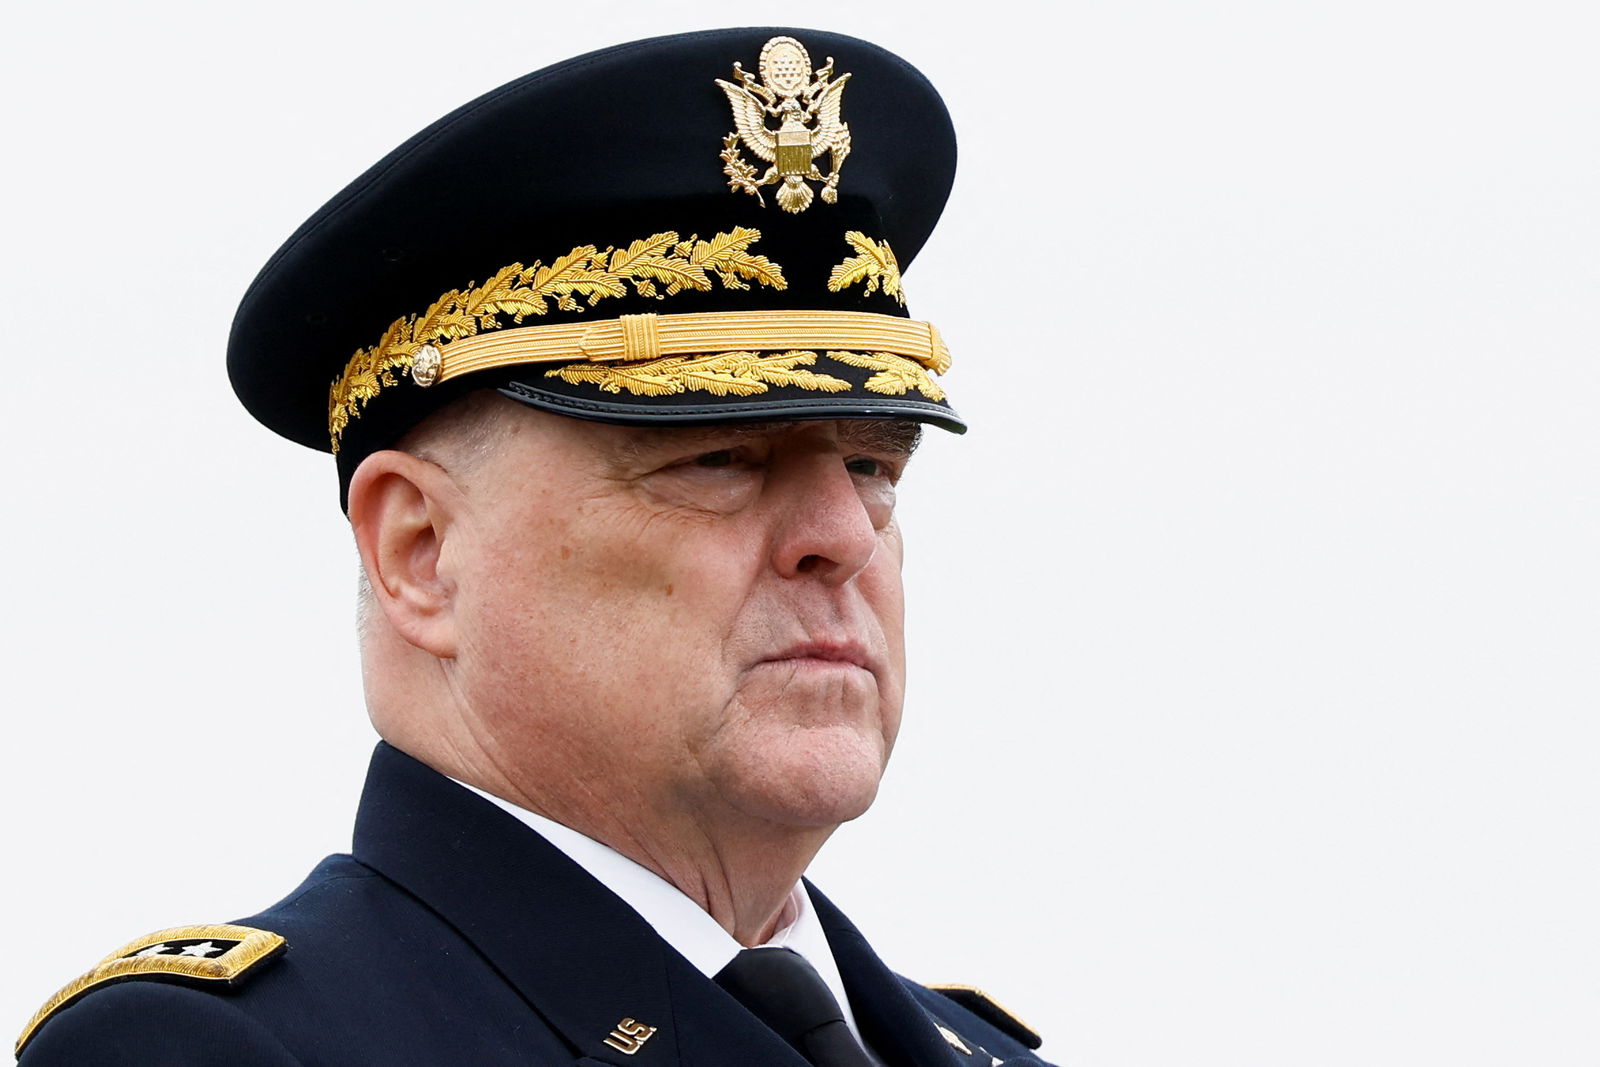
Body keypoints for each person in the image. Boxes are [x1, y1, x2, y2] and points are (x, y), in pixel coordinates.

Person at [15, 27, 1053, 1067]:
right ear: (421, 551)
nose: (840, 537)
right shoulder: (218, 1049)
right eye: (722, 458)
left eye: (873, 468)